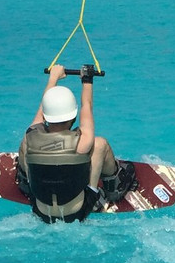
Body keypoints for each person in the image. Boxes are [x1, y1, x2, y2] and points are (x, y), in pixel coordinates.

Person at [16, 63, 136, 223]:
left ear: (46, 116)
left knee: (26, 144)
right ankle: (115, 185)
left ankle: (24, 180)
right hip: (77, 212)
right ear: (73, 117)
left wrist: (53, 78)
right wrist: (87, 79)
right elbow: (87, 105)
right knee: (99, 145)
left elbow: (43, 109)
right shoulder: (82, 142)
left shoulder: (31, 135)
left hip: (40, 209)